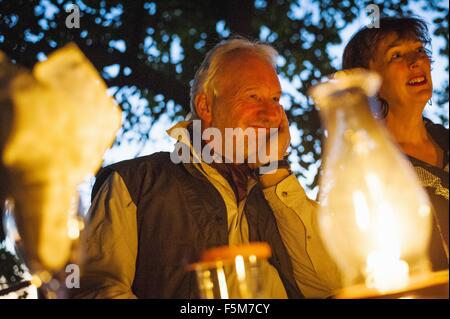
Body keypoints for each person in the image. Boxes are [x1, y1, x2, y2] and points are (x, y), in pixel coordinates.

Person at [72, 37, 341, 299]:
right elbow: (96, 290)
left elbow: (331, 284)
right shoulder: (134, 182)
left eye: (275, 99)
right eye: (253, 96)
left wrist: (275, 169)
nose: (271, 114)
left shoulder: (277, 194)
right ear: (205, 106)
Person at [342, 16, 449, 271]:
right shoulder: (369, 168)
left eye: (419, 50)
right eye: (397, 56)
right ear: (368, 82)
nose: (416, 62)